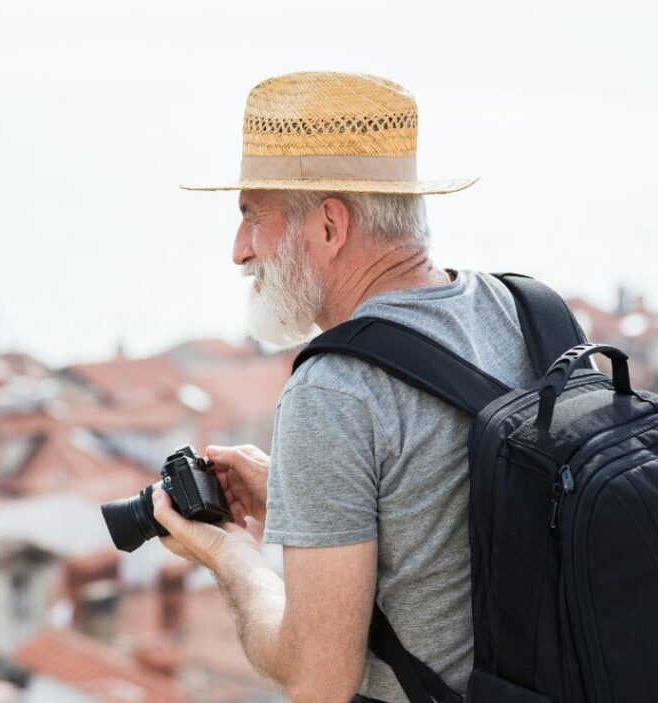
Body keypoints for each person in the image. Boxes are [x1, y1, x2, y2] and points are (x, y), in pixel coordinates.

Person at [152, 72, 538, 702]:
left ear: (330, 226)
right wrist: (297, 496)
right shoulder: (525, 312)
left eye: (252, 217)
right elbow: (457, 515)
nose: (238, 250)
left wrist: (231, 558)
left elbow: (317, 683)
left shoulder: (335, 391)